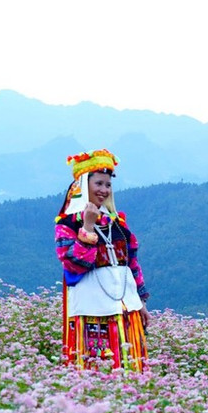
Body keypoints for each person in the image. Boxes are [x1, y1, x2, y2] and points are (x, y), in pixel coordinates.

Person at [54, 148, 150, 372]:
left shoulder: (117, 223)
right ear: (83, 186)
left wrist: (141, 301)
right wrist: (87, 227)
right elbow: (73, 264)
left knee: (132, 369)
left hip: (127, 310)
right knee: (96, 372)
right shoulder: (67, 224)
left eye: (108, 185)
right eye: (98, 184)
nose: (104, 190)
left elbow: (132, 265)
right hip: (92, 312)